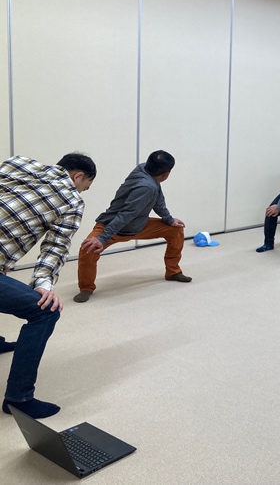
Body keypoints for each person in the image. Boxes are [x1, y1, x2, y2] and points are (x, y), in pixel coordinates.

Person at [0, 153, 96, 418]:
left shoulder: (18, 163)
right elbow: (55, 246)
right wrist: (43, 285)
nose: (82, 191)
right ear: (78, 176)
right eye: (85, 186)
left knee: (6, 283)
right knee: (45, 311)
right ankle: (18, 398)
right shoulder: (72, 201)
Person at [74, 150, 191, 303]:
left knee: (175, 230)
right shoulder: (147, 186)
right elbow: (125, 215)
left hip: (139, 225)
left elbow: (158, 200)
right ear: (166, 174)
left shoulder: (144, 170)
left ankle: (173, 272)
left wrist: (169, 220)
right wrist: (102, 238)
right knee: (88, 249)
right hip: (112, 226)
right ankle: (86, 288)